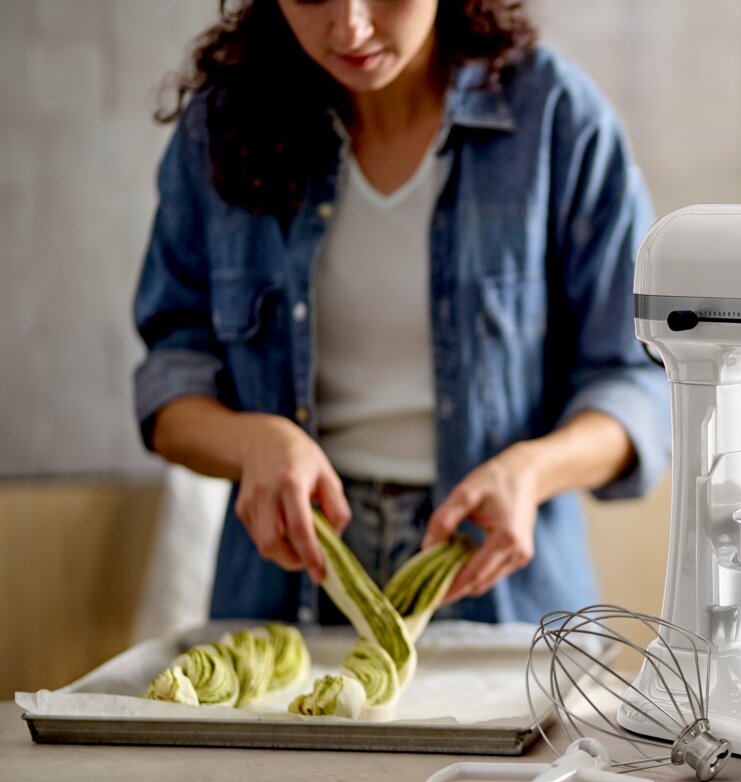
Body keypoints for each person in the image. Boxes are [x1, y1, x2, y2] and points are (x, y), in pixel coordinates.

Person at [132, 0, 670, 626]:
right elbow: (171, 381)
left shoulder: (557, 117)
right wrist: (254, 443)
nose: (351, 28)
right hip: (284, 597)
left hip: (506, 602)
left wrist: (532, 471)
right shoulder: (219, 125)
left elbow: (637, 383)